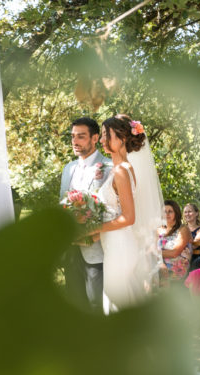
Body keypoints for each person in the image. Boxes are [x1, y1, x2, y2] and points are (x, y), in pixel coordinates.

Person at [89, 115, 164, 313]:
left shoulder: (122, 170)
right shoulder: (120, 169)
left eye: (107, 135)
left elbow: (129, 217)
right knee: (122, 301)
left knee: (116, 303)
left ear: (122, 138)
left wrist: (95, 228)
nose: (102, 140)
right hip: (116, 243)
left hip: (120, 245)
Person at [60, 117, 112, 311]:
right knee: (74, 302)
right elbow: (62, 204)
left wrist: (91, 232)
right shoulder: (68, 169)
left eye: (81, 136)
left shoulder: (109, 166)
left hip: (97, 247)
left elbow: (111, 210)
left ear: (95, 138)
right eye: (73, 136)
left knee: (96, 303)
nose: (75, 141)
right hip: (71, 247)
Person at [158, 200, 192, 284]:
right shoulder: (159, 230)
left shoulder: (183, 229)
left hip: (177, 266)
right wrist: (160, 262)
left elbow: (174, 253)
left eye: (170, 211)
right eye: (164, 212)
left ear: (176, 213)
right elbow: (151, 249)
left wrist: (156, 253)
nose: (167, 214)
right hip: (160, 263)